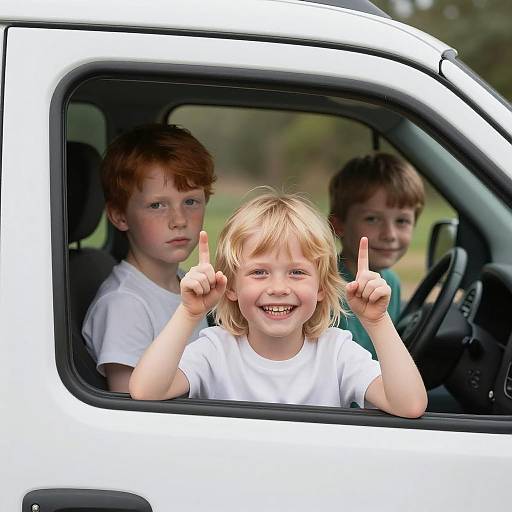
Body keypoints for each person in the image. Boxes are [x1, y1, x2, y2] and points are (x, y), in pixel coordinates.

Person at [130, 192, 427, 418]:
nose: (279, 288)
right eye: (259, 272)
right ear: (231, 286)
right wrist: (188, 313)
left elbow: (410, 405)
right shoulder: (214, 350)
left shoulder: (337, 352)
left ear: (322, 287)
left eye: (297, 272)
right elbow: (145, 391)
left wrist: (377, 322)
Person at [82, 123, 216, 392]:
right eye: (157, 205)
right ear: (120, 216)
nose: (179, 220)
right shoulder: (124, 305)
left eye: (191, 201)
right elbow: (130, 410)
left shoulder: (181, 280)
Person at [328, 153, 425, 359]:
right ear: (339, 225)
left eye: (402, 221)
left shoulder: (390, 281)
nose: (389, 234)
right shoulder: (327, 286)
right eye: (372, 219)